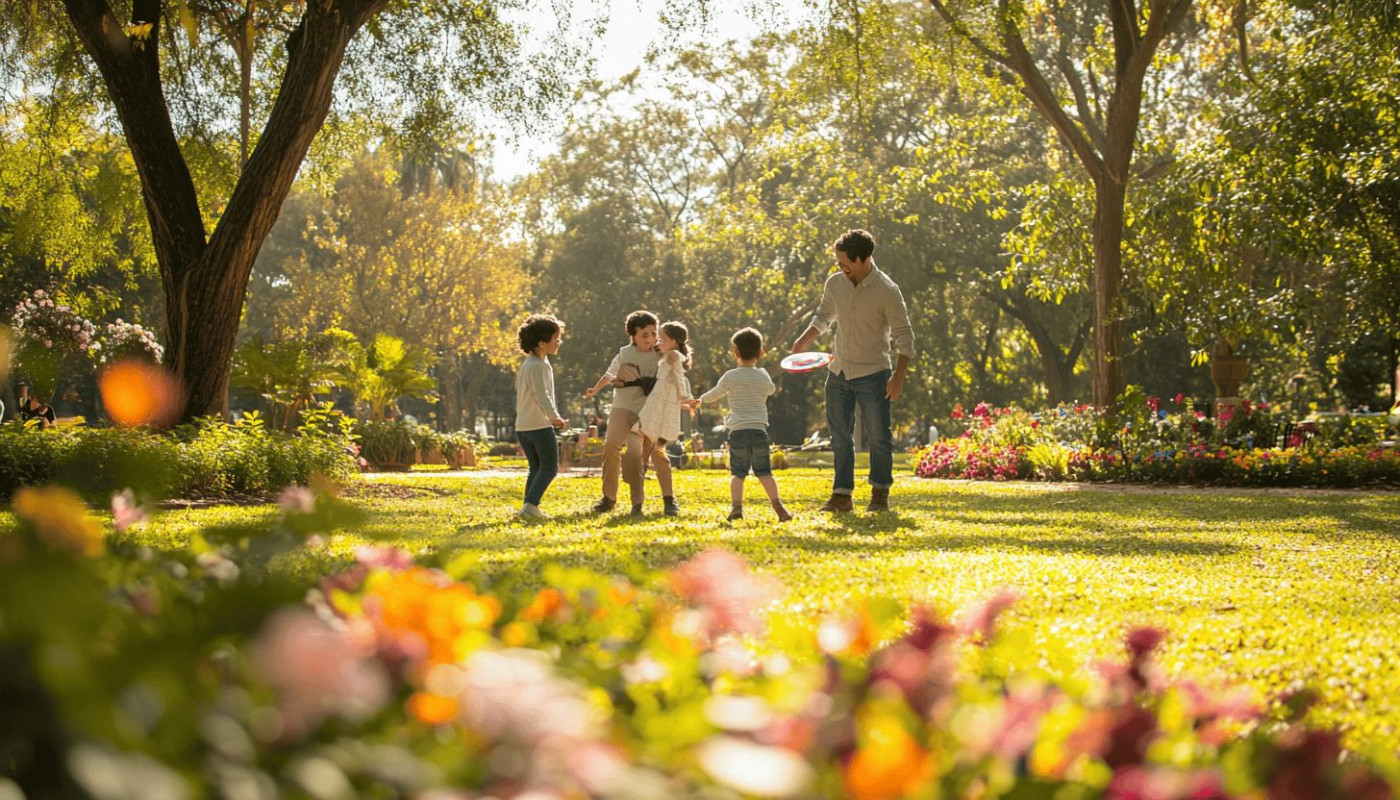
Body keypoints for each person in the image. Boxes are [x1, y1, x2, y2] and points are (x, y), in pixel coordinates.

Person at [791, 229, 914, 512]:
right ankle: (842, 495)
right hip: (839, 372)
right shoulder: (836, 283)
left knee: (879, 437)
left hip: (873, 374)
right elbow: (823, 316)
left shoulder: (887, 290)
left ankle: (880, 494)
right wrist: (804, 339)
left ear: (863, 259)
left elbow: (904, 334)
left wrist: (898, 376)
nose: (839, 267)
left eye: (844, 261)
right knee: (840, 437)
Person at [691, 327, 792, 522]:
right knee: (764, 472)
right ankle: (778, 506)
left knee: (738, 473)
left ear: (735, 353)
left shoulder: (730, 376)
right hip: (758, 430)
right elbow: (771, 390)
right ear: (761, 353)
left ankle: (736, 507)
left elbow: (715, 392)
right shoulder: (763, 375)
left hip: (737, 431)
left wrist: (699, 400)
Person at [582, 310, 673, 516]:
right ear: (633, 335)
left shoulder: (660, 353)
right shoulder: (624, 353)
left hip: (647, 411)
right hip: (622, 407)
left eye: (653, 333)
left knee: (647, 454)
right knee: (611, 445)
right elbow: (610, 373)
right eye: (645, 335)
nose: (650, 338)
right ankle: (609, 498)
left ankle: (658, 499)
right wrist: (595, 389)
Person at [637, 321, 695, 516]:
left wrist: (685, 400)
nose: (659, 341)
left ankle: (661, 499)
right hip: (659, 404)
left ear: (674, 341)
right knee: (650, 451)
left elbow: (679, 378)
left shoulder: (673, 355)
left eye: (663, 338)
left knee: (654, 451)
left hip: (661, 407)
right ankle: (646, 499)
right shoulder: (667, 354)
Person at [514, 314, 567, 519]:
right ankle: (531, 505)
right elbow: (541, 395)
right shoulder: (539, 366)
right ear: (541, 343)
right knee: (550, 467)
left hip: (523, 426)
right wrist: (554, 417)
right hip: (538, 425)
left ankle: (527, 507)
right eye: (556, 338)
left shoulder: (530, 364)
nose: (559, 342)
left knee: (536, 468)